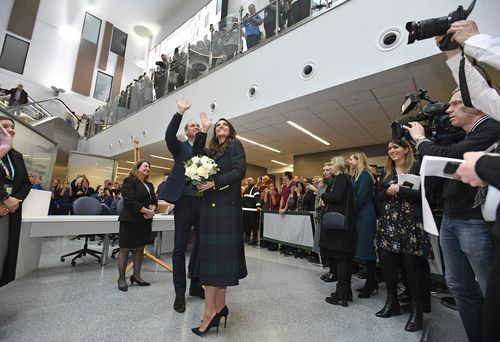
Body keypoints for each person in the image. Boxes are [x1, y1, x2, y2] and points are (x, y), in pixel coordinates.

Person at [404, 89, 500, 342]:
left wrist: (421, 141)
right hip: (450, 216)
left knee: (490, 289)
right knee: (459, 287)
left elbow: (450, 157)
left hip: (474, 219)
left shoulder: (491, 126)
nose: (448, 110)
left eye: (456, 104)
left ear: (478, 105)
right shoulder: (465, 135)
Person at [190, 112, 247, 336]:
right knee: (214, 259)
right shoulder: (212, 151)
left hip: (225, 208)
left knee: (215, 261)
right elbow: (196, 156)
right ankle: (220, 308)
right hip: (210, 208)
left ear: (230, 130)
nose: (220, 127)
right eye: (218, 125)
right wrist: (204, 129)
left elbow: (239, 172)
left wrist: (214, 183)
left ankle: (209, 314)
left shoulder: (235, 145)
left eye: (224, 125)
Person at [374, 140, 431, 332]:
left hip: (410, 223)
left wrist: (400, 189)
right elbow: (379, 195)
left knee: (411, 267)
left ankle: (418, 312)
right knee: (388, 264)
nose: (392, 151)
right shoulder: (387, 172)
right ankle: (392, 303)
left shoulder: (416, 167)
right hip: (389, 222)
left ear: (406, 149)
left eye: (396, 147)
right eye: (389, 148)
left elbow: (425, 193)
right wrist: (388, 190)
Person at [157, 99, 204, 313]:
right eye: (192, 125)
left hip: (201, 202)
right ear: (186, 131)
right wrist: (179, 113)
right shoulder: (179, 147)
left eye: (198, 126)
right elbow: (168, 135)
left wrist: (206, 130)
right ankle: (179, 293)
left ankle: (195, 285)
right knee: (179, 247)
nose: (196, 127)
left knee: (201, 245)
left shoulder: (203, 149)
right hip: (183, 202)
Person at [116, 160, 157, 292]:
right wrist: (146, 211)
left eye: (149, 167)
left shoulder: (150, 185)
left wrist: (153, 209)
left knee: (140, 249)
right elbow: (129, 200)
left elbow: (154, 201)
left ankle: (136, 276)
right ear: (137, 168)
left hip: (144, 221)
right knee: (125, 249)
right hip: (130, 219)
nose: (148, 168)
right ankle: (121, 278)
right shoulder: (129, 181)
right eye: (145, 166)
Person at [0, 116, 31, 286]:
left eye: (12, 127)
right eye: (5, 126)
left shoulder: (16, 155)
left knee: (5, 254)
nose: (11, 129)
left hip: (10, 210)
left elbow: (26, 182)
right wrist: (3, 198)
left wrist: (14, 201)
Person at [321, 156, 356, 307]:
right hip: (344, 226)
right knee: (344, 260)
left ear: (339, 166)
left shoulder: (341, 178)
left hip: (340, 228)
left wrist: (324, 195)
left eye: (333, 165)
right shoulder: (345, 179)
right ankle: (345, 292)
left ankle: (341, 293)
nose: (331, 168)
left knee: (342, 260)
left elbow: (337, 197)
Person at [349, 152, 378, 298]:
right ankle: (371, 281)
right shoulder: (355, 175)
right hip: (358, 214)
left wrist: (349, 210)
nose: (350, 161)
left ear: (358, 160)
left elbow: (359, 198)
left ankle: (371, 282)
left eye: (352, 158)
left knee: (367, 248)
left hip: (365, 214)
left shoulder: (365, 175)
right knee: (362, 247)